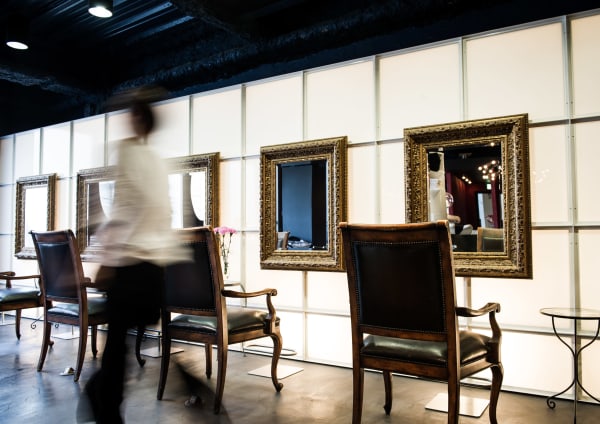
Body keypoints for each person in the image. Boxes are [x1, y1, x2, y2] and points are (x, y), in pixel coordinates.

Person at [80, 87, 189, 423]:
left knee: (120, 337)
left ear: (138, 118)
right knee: (121, 337)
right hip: (146, 262)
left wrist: (108, 258)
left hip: (137, 261)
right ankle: (105, 403)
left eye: (131, 113)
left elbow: (129, 209)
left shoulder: (136, 155)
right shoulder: (152, 159)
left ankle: (100, 395)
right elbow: (148, 210)